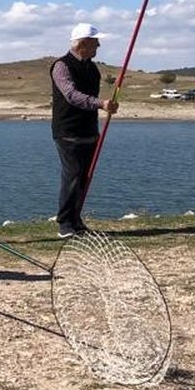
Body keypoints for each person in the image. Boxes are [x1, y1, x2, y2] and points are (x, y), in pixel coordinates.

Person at [50, 22, 119, 239]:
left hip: (89, 129)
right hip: (68, 130)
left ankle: (75, 220)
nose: (98, 45)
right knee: (73, 175)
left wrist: (107, 104)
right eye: (95, 41)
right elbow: (71, 95)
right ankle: (64, 224)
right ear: (83, 43)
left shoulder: (92, 67)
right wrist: (100, 103)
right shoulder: (61, 66)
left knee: (84, 177)